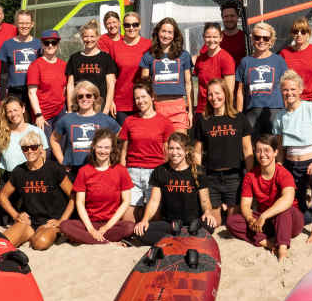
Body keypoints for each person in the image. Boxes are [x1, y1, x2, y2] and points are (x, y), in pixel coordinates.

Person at [274, 70, 312, 243]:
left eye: (293, 89)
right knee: (300, 216)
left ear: (300, 90)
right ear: (281, 92)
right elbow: (280, 148)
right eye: (285, 90)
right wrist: (279, 168)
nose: (289, 93)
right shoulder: (279, 117)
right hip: (291, 165)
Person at [226, 134, 305, 260]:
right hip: (268, 223)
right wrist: (250, 219)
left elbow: (288, 199)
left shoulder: (283, 173)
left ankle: (282, 250)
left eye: (267, 150)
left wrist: (264, 216)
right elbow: (245, 205)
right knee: (232, 221)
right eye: (258, 151)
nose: (262, 154)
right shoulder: (250, 176)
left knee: (283, 209)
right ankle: (267, 243)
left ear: (275, 152)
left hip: (290, 221)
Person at [133, 132, 217, 246]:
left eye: (178, 148)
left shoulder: (198, 171)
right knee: (140, 232)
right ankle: (185, 238)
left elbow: (205, 200)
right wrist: (144, 220)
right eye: (171, 148)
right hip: (170, 224)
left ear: (186, 150)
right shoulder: (160, 171)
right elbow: (154, 201)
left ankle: (175, 239)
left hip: (194, 223)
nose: (174, 152)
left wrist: (208, 212)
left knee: (210, 225)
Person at [0, 131, 74, 250]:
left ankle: (48, 234)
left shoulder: (54, 168)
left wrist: (62, 220)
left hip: (51, 221)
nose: (30, 151)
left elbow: (73, 196)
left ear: (41, 148)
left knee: (40, 243)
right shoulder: (19, 171)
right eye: (25, 148)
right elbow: (2, 196)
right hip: (29, 222)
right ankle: (30, 234)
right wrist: (16, 215)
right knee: (3, 243)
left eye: (33, 147)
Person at [193, 78, 252, 226]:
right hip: (211, 177)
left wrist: (250, 175)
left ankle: (227, 208)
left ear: (225, 93)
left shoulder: (239, 118)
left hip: (234, 177)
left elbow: (247, 150)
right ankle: (221, 208)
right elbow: (197, 152)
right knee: (214, 223)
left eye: (217, 93)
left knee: (233, 223)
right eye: (210, 94)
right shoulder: (203, 120)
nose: (214, 98)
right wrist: (198, 175)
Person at [59, 129, 135, 244]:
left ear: (112, 149)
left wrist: (106, 227)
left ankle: (92, 239)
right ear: (94, 147)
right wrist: (91, 229)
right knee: (65, 226)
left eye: (107, 147)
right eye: (100, 147)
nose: (103, 151)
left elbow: (126, 201)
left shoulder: (121, 170)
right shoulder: (84, 171)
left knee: (130, 227)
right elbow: (79, 202)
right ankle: (105, 241)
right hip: (89, 223)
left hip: (112, 224)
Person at [118, 80, 173, 221]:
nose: (140, 101)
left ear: (152, 97)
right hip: (132, 172)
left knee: (154, 220)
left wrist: (165, 173)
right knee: (127, 221)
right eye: (137, 98)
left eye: (143, 96)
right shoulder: (129, 121)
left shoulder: (164, 122)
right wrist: (123, 171)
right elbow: (124, 150)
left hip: (155, 172)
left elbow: (167, 151)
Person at [0, 95, 47, 218]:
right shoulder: (1, 134)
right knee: (2, 218)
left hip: (30, 179)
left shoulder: (36, 131)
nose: (13, 114)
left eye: (15, 110)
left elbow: (43, 160)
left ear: (23, 109)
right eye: (9, 111)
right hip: (9, 180)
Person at [51, 81, 120, 180]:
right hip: (73, 171)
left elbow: (122, 137)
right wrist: (62, 161)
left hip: (98, 169)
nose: (84, 99)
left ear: (94, 98)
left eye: (88, 96)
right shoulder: (67, 119)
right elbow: (54, 140)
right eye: (80, 96)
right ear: (76, 99)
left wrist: (112, 158)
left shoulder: (105, 119)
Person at [236, 21, 289, 137]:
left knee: (275, 144)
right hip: (252, 112)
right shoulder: (245, 62)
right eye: (257, 37)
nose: (261, 41)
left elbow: (286, 88)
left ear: (271, 41)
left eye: (266, 38)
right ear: (252, 39)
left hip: (274, 110)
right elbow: (240, 92)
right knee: (251, 144)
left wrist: (287, 111)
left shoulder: (279, 61)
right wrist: (239, 115)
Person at [140, 17, 193, 131]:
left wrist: (190, 111)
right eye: (163, 31)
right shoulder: (148, 56)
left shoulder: (184, 55)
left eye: (170, 32)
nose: (166, 35)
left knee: (179, 141)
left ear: (174, 35)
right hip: (157, 107)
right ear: (158, 32)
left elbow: (188, 84)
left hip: (178, 107)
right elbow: (144, 86)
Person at [106, 11, 152, 124]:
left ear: (140, 26)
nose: (131, 28)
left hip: (143, 101)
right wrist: (110, 100)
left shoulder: (148, 45)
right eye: (127, 25)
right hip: (121, 103)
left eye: (135, 25)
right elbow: (110, 78)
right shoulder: (114, 47)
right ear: (123, 26)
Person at [65, 20, 117, 114]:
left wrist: (106, 109)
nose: (89, 40)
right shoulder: (74, 58)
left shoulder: (105, 58)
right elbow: (70, 86)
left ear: (98, 37)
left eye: (92, 36)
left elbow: (110, 85)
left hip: (99, 107)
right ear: (82, 37)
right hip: (80, 107)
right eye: (86, 36)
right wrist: (70, 109)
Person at [27, 30, 67, 137]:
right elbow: (31, 93)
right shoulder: (35, 65)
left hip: (60, 112)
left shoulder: (63, 65)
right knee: (46, 146)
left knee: (60, 144)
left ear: (57, 44)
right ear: (42, 45)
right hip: (43, 114)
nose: (50, 45)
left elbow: (65, 89)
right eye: (46, 43)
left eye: (53, 42)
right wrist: (38, 114)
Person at [279, 17, 312, 103]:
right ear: (292, 34)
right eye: (296, 32)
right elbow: (281, 80)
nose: (299, 34)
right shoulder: (284, 53)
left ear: (308, 34)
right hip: (293, 100)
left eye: (303, 31)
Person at [0, 10, 39, 107]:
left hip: (34, 92)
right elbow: (3, 74)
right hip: (14, 93)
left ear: (32, 24)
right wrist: (3, 98)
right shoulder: (7, 45)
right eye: (21, 23)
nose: (24, 26)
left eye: (27, 23)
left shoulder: (39, 44)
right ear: (16, 24)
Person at [193, 22, 236, 115]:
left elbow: (229, 91)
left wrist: (225, 113)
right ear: (203, 37)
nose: (211, 40)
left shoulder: (226, 58)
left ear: (221, 38)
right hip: (201, 110)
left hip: (217, 110)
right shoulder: (200, 59)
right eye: (208, 37)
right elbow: (200, 87)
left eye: (215, 37)